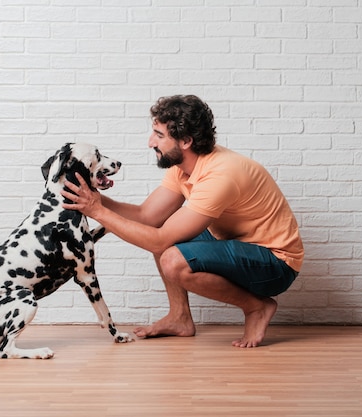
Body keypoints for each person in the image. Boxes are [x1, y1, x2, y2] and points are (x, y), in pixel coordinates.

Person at [61, 95, 303, 348]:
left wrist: (97, 211)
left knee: (172, 260)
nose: (150, 142)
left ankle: (257, 307)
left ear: (186, 141)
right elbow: (148, 216)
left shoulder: (220, 175)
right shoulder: (183, 165)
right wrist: (92, 197)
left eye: (159, 135)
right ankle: (180, 318)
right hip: (238, 245)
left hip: (275, 263)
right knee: (161, 226)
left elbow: (159, 242)